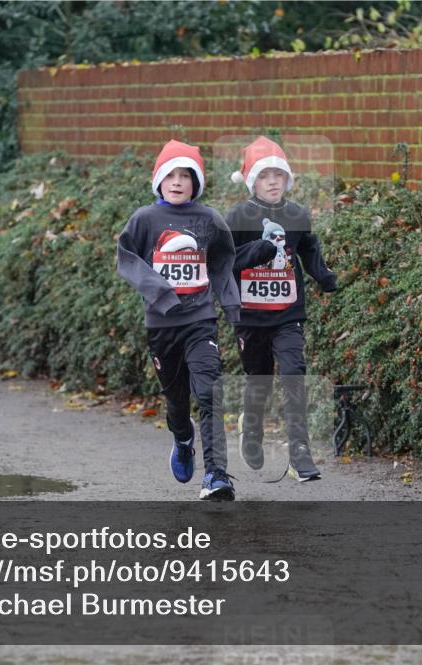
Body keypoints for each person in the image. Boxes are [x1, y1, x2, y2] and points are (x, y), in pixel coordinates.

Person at [116, 139, 240, 500]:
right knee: (176, 400)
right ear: (158, 180)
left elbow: (221, 261)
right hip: (161, 326)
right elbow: (126, 258)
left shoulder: (208, 219)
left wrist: (230, 302)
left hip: (201, 321)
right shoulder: (144, 219)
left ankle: (217, 476)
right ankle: (183, 439)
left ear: (196, 183)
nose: (177, 181)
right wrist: (161, 292)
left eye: (186, 175)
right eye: (170, 174)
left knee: (209, 393)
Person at [226, 136, 338, 482]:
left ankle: (300, 454)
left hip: (288, 314)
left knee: (293, 377)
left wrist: (323, 275)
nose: (272, 181)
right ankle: (252, 427)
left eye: (278, 174)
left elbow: (308, 249)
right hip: (251, 316)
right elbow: (226, 262)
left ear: (287, 178)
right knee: (258, 379)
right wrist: (257, 251)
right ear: (251, 181)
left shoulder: (297, 215)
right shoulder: (237, 217)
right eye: (264, 175)